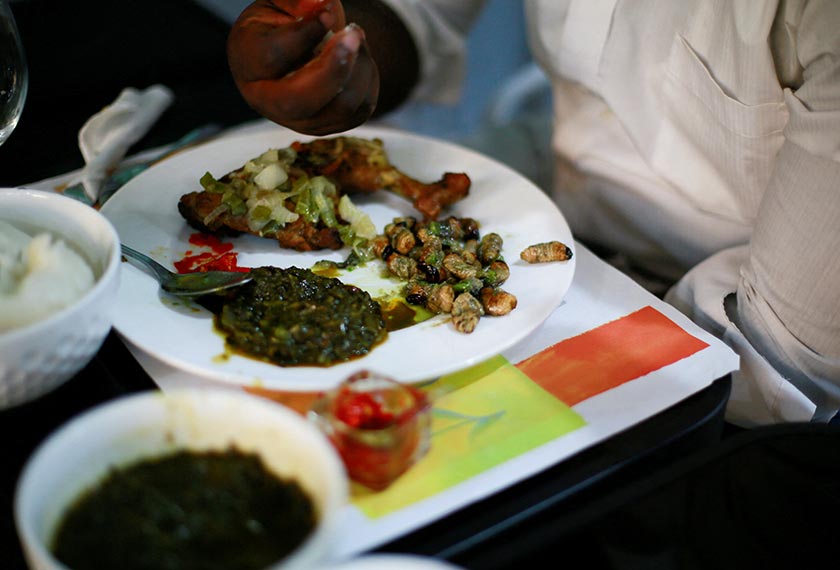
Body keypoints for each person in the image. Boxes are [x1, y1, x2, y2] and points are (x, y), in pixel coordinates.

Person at [226, 0, 840, 427]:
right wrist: (338, 52)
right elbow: (418, 16)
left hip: (734, 345)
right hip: (557, 198)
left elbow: (781, 362)